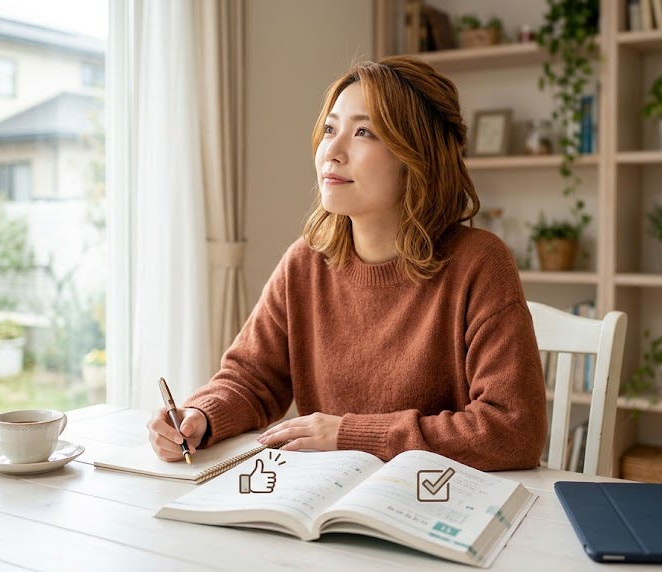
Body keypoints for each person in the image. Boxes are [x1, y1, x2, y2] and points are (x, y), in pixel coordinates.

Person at [148, 55, 547, 471]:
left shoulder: (479, 264)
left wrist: (349, 434)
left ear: (417, 157)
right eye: (329, 129)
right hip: (328, 502)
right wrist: (200, 416)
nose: (332, 153)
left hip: (435, 503)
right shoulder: (304, 263)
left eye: (363, 132)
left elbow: (513, 429)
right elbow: (250, 379)